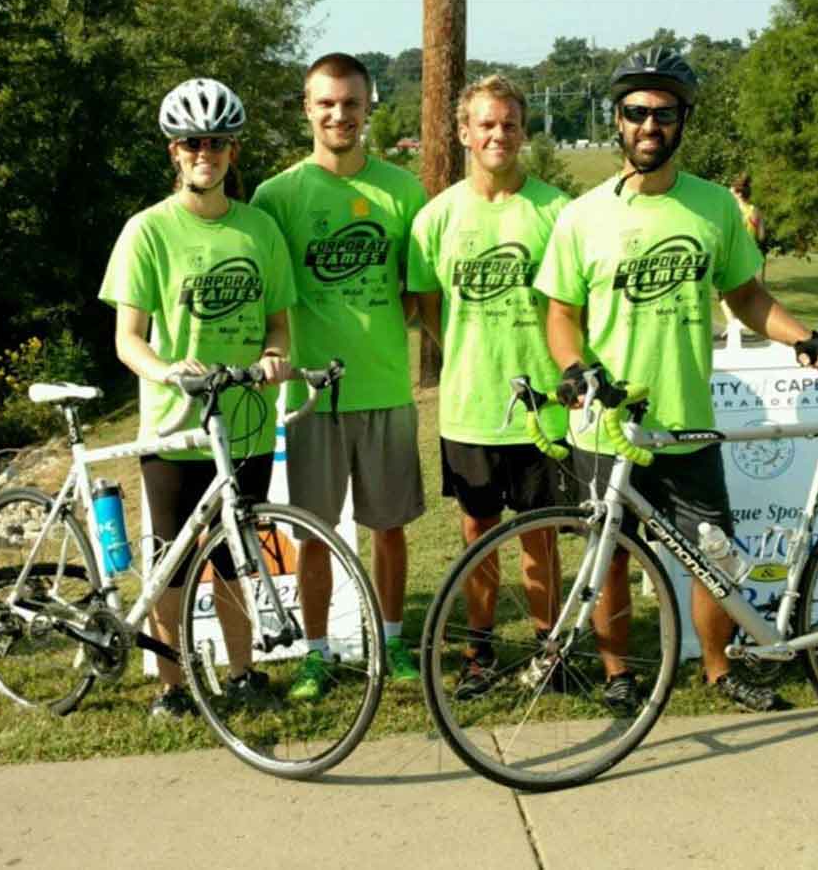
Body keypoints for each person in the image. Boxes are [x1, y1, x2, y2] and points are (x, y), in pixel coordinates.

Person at [534, 48, 818, 713]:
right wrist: (571, 366)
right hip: (606, 423)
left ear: (683, 121)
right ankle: (619, 672)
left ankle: (716, 668)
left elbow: (747, 296)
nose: (650, 124)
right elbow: (560, 313)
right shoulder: (581, 216)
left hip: (687, 419)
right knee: (610, 557)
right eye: (636, 111)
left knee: (714, 557)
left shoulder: (712, 208)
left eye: (664, 113)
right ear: (616, 120)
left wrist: (804, 339)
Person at [97, 79, 295, 717]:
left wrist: (272, 359)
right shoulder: (147, 231)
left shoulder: (260, 229)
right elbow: (128, 339)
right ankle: (172, 687)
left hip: (246, 421)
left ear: (233, 151)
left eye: (216, 142)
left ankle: (243, 674)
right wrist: (164, 370)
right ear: (173, 153)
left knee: (238, 554)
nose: (203, 152)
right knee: (173, 566)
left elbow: (278, 326)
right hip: (177, 425)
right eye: (191, 143)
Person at [250, 53, 429, 699]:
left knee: (389, 527)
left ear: (368, 108)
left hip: (384, 386)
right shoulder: (276, 197)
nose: (339, 114)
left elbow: (414, 292)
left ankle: (394, 640)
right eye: (326, 103)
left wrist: (375, 328)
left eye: (351, 103)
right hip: (309, 394)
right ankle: (317, 654)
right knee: (314, 534)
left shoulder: (403, 191)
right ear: (307, 108)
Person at [409, 74, 571, 698]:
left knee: (541, 533)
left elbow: (572, 303)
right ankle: (480, 652)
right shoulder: (437, 217)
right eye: (485, 123)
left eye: (508, 122)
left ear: (523, 130)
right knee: (477, 532)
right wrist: (470, 353)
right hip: (471, 406)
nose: (497, 133)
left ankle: (547, 649)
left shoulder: (556, 210)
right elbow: (426, 304)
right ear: (463, 133)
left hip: (544, 407)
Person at [730, 172, 766, 289]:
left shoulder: (732, 211)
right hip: (753, 257)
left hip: (736, 259)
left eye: (731, 192)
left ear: (738, 193)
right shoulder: (756, 211)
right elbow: (761, 236)